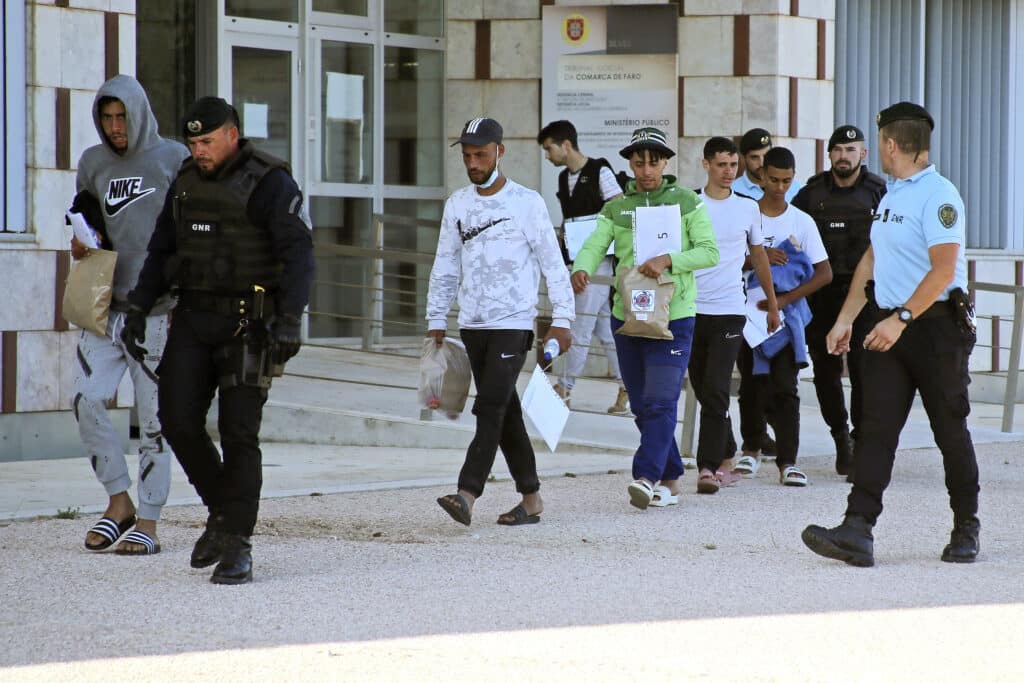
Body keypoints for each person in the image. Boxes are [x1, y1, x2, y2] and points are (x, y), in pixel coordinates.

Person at [124, 96, 314, 583]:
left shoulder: (270, 181)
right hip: (193, 317)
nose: (199, 150)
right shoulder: (186, 181)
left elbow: (298, 254)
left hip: (249, 325)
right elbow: (162, 249)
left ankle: (238, 545)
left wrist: (290, 318)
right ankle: (223, 515)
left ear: (232, 133)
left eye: (206, 141)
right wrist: (139, 307)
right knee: (177, 420)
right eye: (192, 142)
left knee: (238, 434)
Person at [802, 102, 980, 567]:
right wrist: (845, 319)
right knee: (876, 430)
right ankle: (857, 530)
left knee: (949, 430)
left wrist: (899, 319)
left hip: (935, 329)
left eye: (880, 139)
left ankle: (966, 526)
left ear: (890, 143)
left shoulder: (940, 195)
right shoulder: (893, 194)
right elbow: (872, 260)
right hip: (889, 325)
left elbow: (943, 272)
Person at [429, 117, 574, 527]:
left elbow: (554, 264)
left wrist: (563, 319)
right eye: (468, 155)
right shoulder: (457, 204)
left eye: (481, 154)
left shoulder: (527, 202)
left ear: (500, 152)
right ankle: (531, 499)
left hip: (514, 323)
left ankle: (466, 493)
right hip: (472, 325)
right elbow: (444, 264)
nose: (473, 162)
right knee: (505, 411)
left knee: (490, 406)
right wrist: (436, 315)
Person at [572, 127, 718, 509]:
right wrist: (582, 268)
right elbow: (594, 243)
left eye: (654, 161)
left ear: (666, 162)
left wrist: (669, 259)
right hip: (628, 316)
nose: (647, 169)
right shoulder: (617, 207)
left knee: (660, 400)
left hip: (675, 316)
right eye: (639, 162)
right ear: (630, 164)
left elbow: (709, 252)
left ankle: (646, 475)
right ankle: (670, 477)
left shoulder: (688, 201)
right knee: (641, 404)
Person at [73, 75, 189, 556]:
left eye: (122, 116)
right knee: (87, 400)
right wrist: (80, 242)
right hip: (104, 307)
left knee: (154, 421)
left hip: (157, 311)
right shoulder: (92, 163)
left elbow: (192, 232)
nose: (115, 126)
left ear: (139, 113)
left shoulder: (173, 158)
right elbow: (83, 218)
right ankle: (118, 501)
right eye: (107, 116)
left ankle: (150, 519)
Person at [731, 147, 832, 487]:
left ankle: (788, 460)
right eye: (773, 180)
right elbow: (723, 258)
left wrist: (787, 297)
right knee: (752, 385)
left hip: (788, 320)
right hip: (747, 316)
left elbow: (824, 273)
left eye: (786, 181)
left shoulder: (801, 220)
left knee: (786, 387)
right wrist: (757, 260)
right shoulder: (745, 214)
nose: (779, 187)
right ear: (760, 176)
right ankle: (751, 447)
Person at [792, 125, 887, 477]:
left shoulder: (879, 192)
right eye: (838, 150)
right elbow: (792, 233)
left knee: (865, 370)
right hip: (823, 295)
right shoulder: (811, 194)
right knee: (826, 372)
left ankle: (861, 438)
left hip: (866, 296)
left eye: (851, 149)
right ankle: (840, 437)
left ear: (863, 154)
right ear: (829, 155)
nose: (844, 156)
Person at [689, 137, 780, 494]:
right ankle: (726, 450)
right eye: (721, 165)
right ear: (706, 164)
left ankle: (707, 467)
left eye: (733, 165)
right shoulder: (690, 204)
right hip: (691, 309)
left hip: (730, 309)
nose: (729, 172)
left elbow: (758, 257)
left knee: (715, 387)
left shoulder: (747, 208)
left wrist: (773, 304)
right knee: (702, 387)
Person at [536, 120, 627, 413]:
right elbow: (568, 221)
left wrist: (591, 244)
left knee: (580, 325)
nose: (547, 155)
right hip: (576, 260)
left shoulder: (600, 170)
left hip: (598, 260)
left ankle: (565, 387)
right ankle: (628, 390)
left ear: (566, 145)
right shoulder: (564, 179)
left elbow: (618, 206)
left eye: (549, 148)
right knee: (604, 329)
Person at [733, 128, 803, 202]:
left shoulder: (796, 189)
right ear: (743, 158)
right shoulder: (733, 191)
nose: (762, 163)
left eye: (766, 155)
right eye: (755, 157)